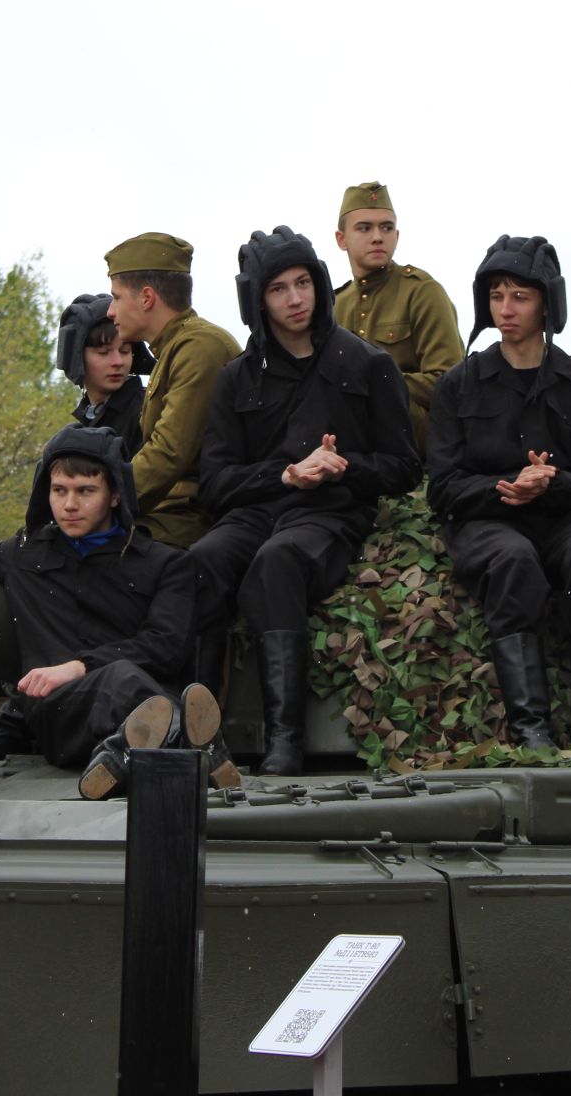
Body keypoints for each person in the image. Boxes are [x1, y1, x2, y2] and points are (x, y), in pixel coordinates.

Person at [188, 227, 421, 775]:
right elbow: (215, 483)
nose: (295, 299)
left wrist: (343, 467)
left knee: (279, 562)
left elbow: (405, 467)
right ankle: (197, 735)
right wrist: (288, 474)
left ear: (318, 284)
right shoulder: (236, 378)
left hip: (331, 512)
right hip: (259, 508)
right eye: (278, 289)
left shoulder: (367, 364)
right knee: (201, 564)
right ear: (258, 300)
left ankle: (284, 739)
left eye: (302, 283)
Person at [426, 236, 571, 758]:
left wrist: (553, 482)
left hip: (565, 518)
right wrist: (504, 488)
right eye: (498, 295)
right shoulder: (459, 386)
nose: (507, 308)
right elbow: (443, 488)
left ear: (547, 302)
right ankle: (532, 730)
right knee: (513, 559)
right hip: (486, 522)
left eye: (520, 296)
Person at [0, 425, 231, 795]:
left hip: (144, 699)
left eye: (85, 491)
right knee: (124, 681)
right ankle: (197, 749)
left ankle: (126, 754)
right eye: (59, 491)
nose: (69, 505)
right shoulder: (22, 554)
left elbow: (166, 647)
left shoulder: (165, 564)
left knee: (139, 689)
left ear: (113, 496)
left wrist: (81, 665)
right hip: (59, 713)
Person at [105, 232, 241, 549]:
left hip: (190, 519)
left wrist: (104, 499)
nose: (111, 311)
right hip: (167, 512)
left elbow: (169, 452)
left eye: (117, 296)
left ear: (147, 298)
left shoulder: (199, 347)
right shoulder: (174, 348)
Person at [331, 182, 465, 450]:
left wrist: (376, 381)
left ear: (397, 235)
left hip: (416, 440)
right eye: (364, 228)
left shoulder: (422, 291)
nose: (378, 237)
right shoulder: (334, 306)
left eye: (387, 228)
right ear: (341, 239)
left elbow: (450, 383)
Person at [59, 291, 155, 457]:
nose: (118, 361)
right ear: (78, 357)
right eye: (103, 352)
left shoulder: (147, 411)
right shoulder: (89, 416)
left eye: (125, 351)